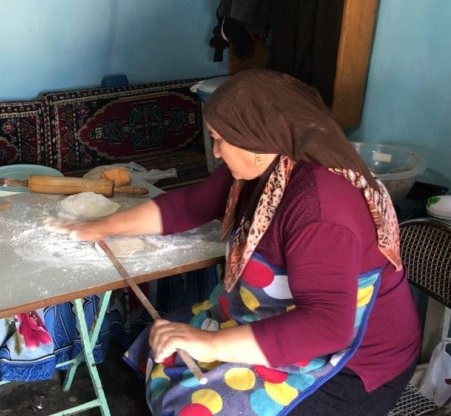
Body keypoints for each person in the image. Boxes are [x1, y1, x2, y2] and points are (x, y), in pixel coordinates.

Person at [55, 69, 421, 415]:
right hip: (291, 322)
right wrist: (105, 225)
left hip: (350, 368)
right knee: (165, 344)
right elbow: (191, 204)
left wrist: (209, 344)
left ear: (257, 142)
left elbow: (327, 327)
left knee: (194, 398)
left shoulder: (321, 209)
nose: (215, 152)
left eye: (220, 141)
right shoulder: (266, 167)